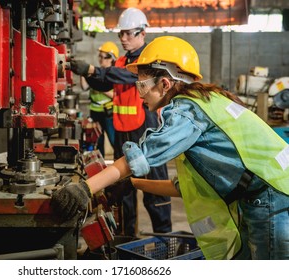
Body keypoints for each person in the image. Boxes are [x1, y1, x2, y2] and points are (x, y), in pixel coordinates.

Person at [52, 35, 289, 260]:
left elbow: (143, 155)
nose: (140, 94)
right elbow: (185, 187)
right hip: (268, 193)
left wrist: (84, 189)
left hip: (271, 197)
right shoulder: (202, 102)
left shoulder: (186, 112)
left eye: (142, 86)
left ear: (164, 83)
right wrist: (132, 184)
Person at [69, 7, 172, 236]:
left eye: (129, 33)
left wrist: (95, 69)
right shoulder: (123, 59)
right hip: (123, 131)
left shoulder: (150, 59)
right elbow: (107, 83)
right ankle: (126, 239)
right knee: (123, 189)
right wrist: (86, 73)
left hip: (147, 129)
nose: (123, 39)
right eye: (121, 34)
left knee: (155, 189)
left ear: (142, 33)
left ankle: (165, 239)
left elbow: (128, 76)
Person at [80, 41, 118, 157]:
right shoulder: (96, 72)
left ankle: (120, 168)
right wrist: (83, 73)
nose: (101, 60)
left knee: (114, 141)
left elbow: (116, 95)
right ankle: (100, 170)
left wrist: (99, 87)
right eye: (100, 57)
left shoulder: (116, 74)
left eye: (104, 57)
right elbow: (85, 87)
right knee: (97, 142)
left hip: (109, 113)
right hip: (95, 112)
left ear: (112, 58)